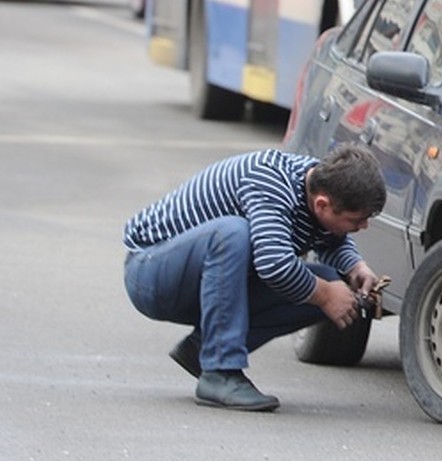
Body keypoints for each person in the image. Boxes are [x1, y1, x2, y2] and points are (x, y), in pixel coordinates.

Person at [123, 143, 387, 412]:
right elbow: (274, 265)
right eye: (357, 220)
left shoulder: (320, 183)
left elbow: (328, 235)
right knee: (232, 233)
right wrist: (325, 295)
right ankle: (220, 371)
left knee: (333, 283)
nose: (362, 227)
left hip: (209, 280)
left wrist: (355, 267)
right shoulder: (270, 181)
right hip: (151, 274)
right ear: (322, 204)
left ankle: (203, 350)